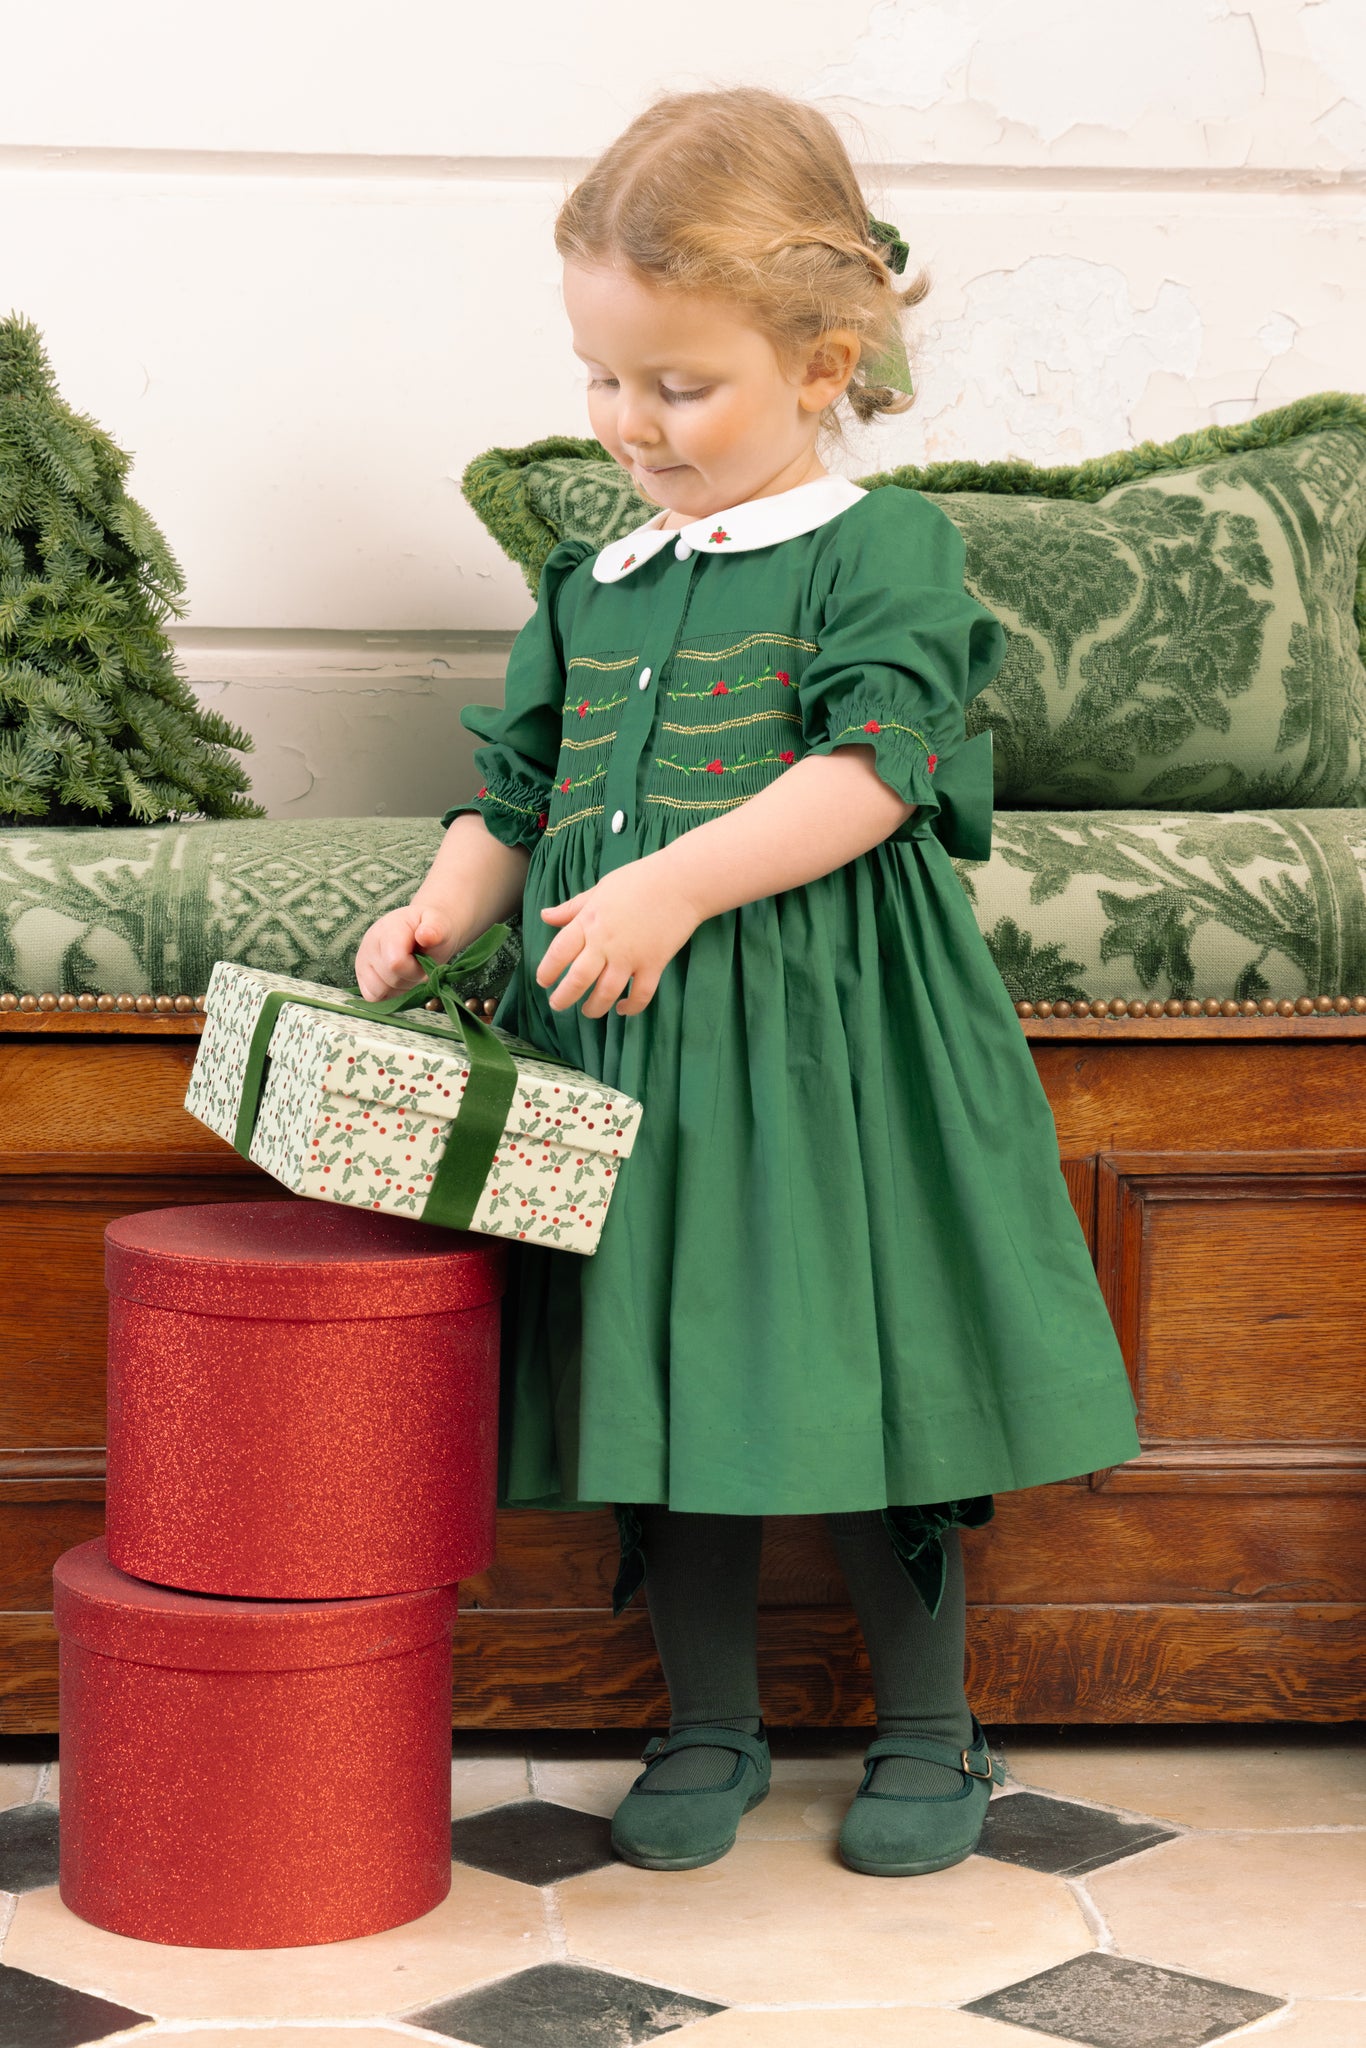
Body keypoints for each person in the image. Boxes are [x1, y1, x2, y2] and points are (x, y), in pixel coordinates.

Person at [355, 84, 1141, 1881]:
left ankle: (933, 1734)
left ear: (820, 362)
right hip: (625, 1058)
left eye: (676, 385)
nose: (630, 426)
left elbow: (870, 777)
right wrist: (441, 910)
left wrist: (672, 886)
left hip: (827, 1043)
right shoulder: (595, 579)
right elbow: (518, 790)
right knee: (663, 1368)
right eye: (599, 377)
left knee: (873, 1367)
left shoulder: (883, 549)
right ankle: (704, 1721)